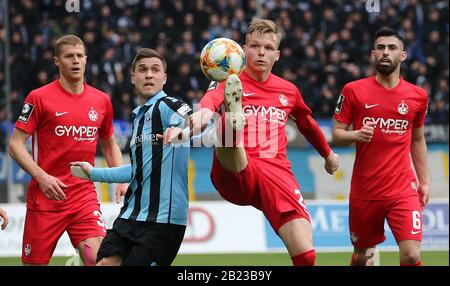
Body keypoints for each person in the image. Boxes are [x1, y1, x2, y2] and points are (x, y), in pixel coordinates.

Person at [167, 18, 340, 266]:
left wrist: (328, 154)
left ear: (277, 55)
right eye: (255, 46)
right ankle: (234, 116)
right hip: (236, 170)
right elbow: (206, 106)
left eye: (268, 48)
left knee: (307, 255)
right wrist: (192, 124)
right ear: (244, 49)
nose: (261, 52)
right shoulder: (227, 80)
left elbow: (307, 124)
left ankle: (234, 118)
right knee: (227, 128)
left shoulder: (288, 91)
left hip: (276, 174)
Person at [7, 35, 126, 265]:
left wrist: (121, 177)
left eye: (79, 56)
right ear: (57, 61)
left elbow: (109, 143)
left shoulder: (101, 100)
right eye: (69, 56)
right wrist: (41, 177)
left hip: (83, 196)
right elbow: (14, 144)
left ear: (86, 60)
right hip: (45, 198)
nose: (75, 61)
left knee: (100, 259)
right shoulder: (38, 98)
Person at [71, 48, 192, 266]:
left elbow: (199, 120)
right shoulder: (138, 117)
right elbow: (138, 169)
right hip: (131, 216)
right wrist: (93, 172)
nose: (149, 75)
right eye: (143, 70)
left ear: (164, 78)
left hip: (162, 220)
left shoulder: (168, 106)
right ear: (132, 77)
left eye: (155, 70)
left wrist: (182, 132)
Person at [332, 27, 430, 266]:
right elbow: (336, 136)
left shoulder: (417, 96)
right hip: (366, 190)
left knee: (412, 254)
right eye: (381, 48)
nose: (386, 52)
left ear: (403, 55)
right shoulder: (353, 90)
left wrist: (424, 181)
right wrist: (355, 134)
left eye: (392, 48)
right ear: (373, 54)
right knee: (362, 256)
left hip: (402, 188)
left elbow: (417, 139)